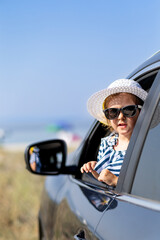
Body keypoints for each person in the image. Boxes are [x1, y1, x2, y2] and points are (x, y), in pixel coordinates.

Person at [80, 79, 148, 187]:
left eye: (129, 110)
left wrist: (116, 181)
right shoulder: (106, 143)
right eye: (113, 112)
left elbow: (146, 186)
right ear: (108, 118)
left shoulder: (146, 146)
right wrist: (95, 170)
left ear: (141, 112)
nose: (121, 117)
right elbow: (104, 180)